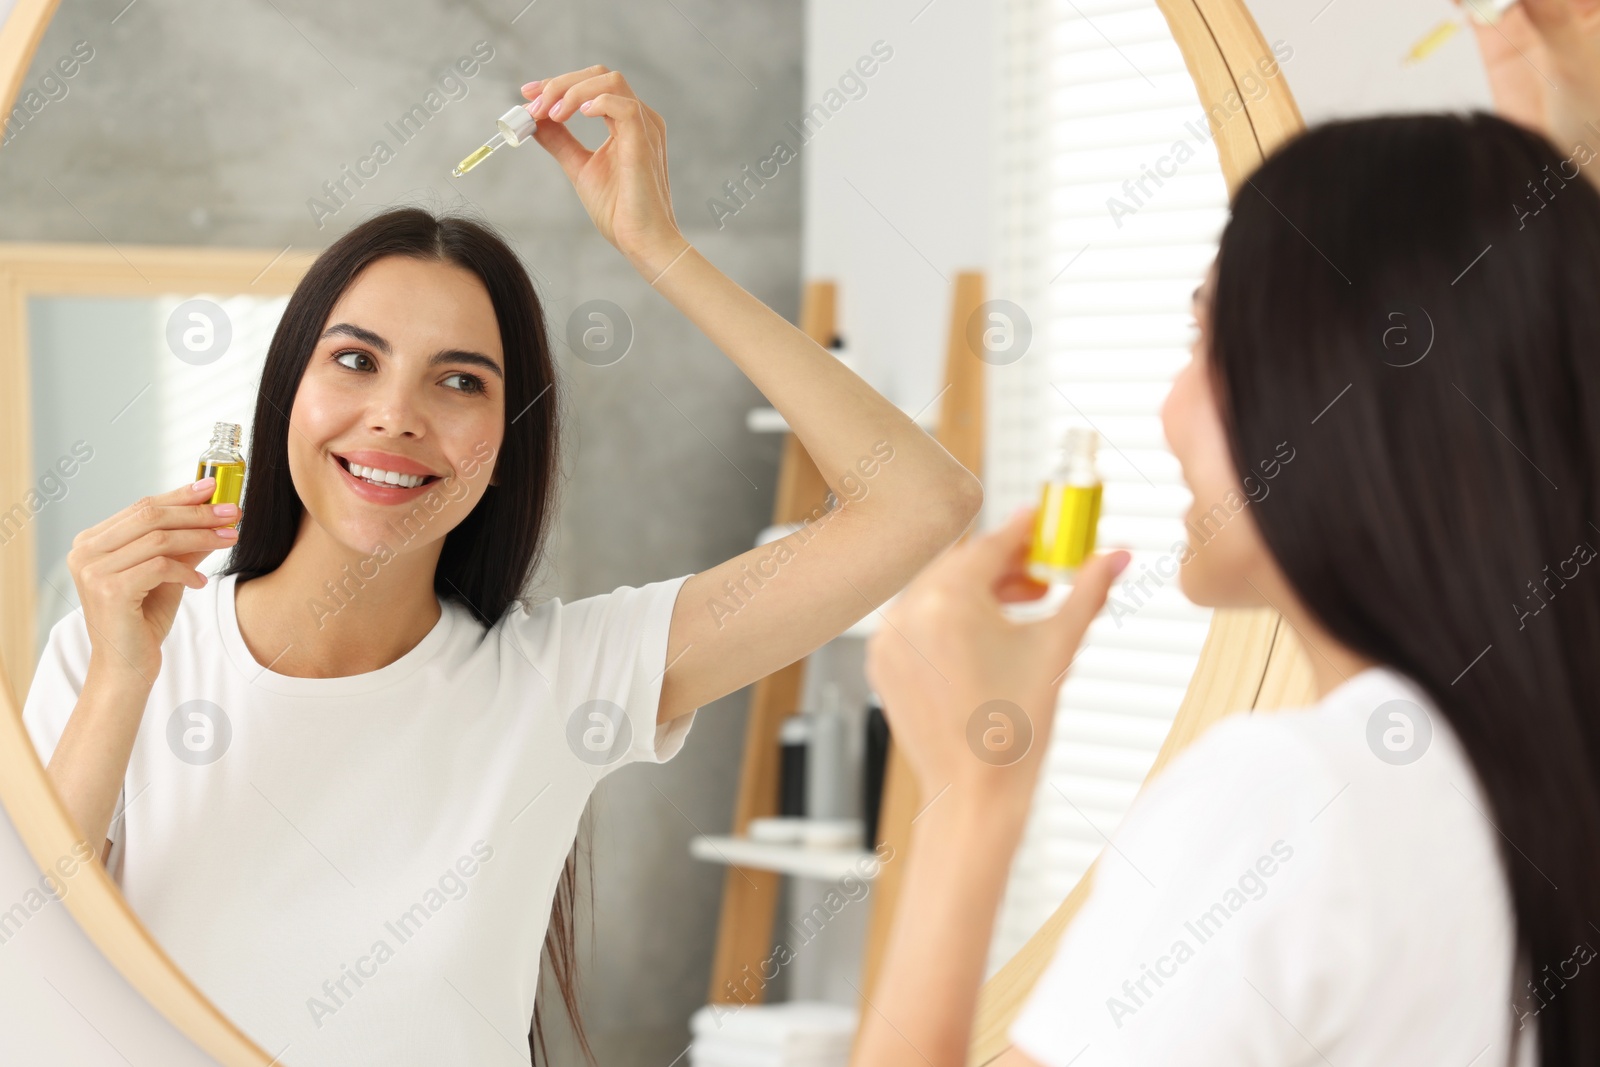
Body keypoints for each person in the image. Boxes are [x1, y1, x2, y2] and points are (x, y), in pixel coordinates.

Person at [21, 68, 980, 1065]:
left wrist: (660, 249)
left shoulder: (561, 680)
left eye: (459, 379)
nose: (396, 412)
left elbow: (920, 499)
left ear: (508, 434)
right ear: (284, 394)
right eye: (355, 359)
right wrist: (119, 680)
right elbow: (23, 961)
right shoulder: (116, 657)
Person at [852, 1, 1600, 1064]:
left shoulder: (1291, 801)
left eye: (1203, 331)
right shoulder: (1532, 760)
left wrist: (972, 792)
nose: (1166, 407)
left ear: (1327, 386)